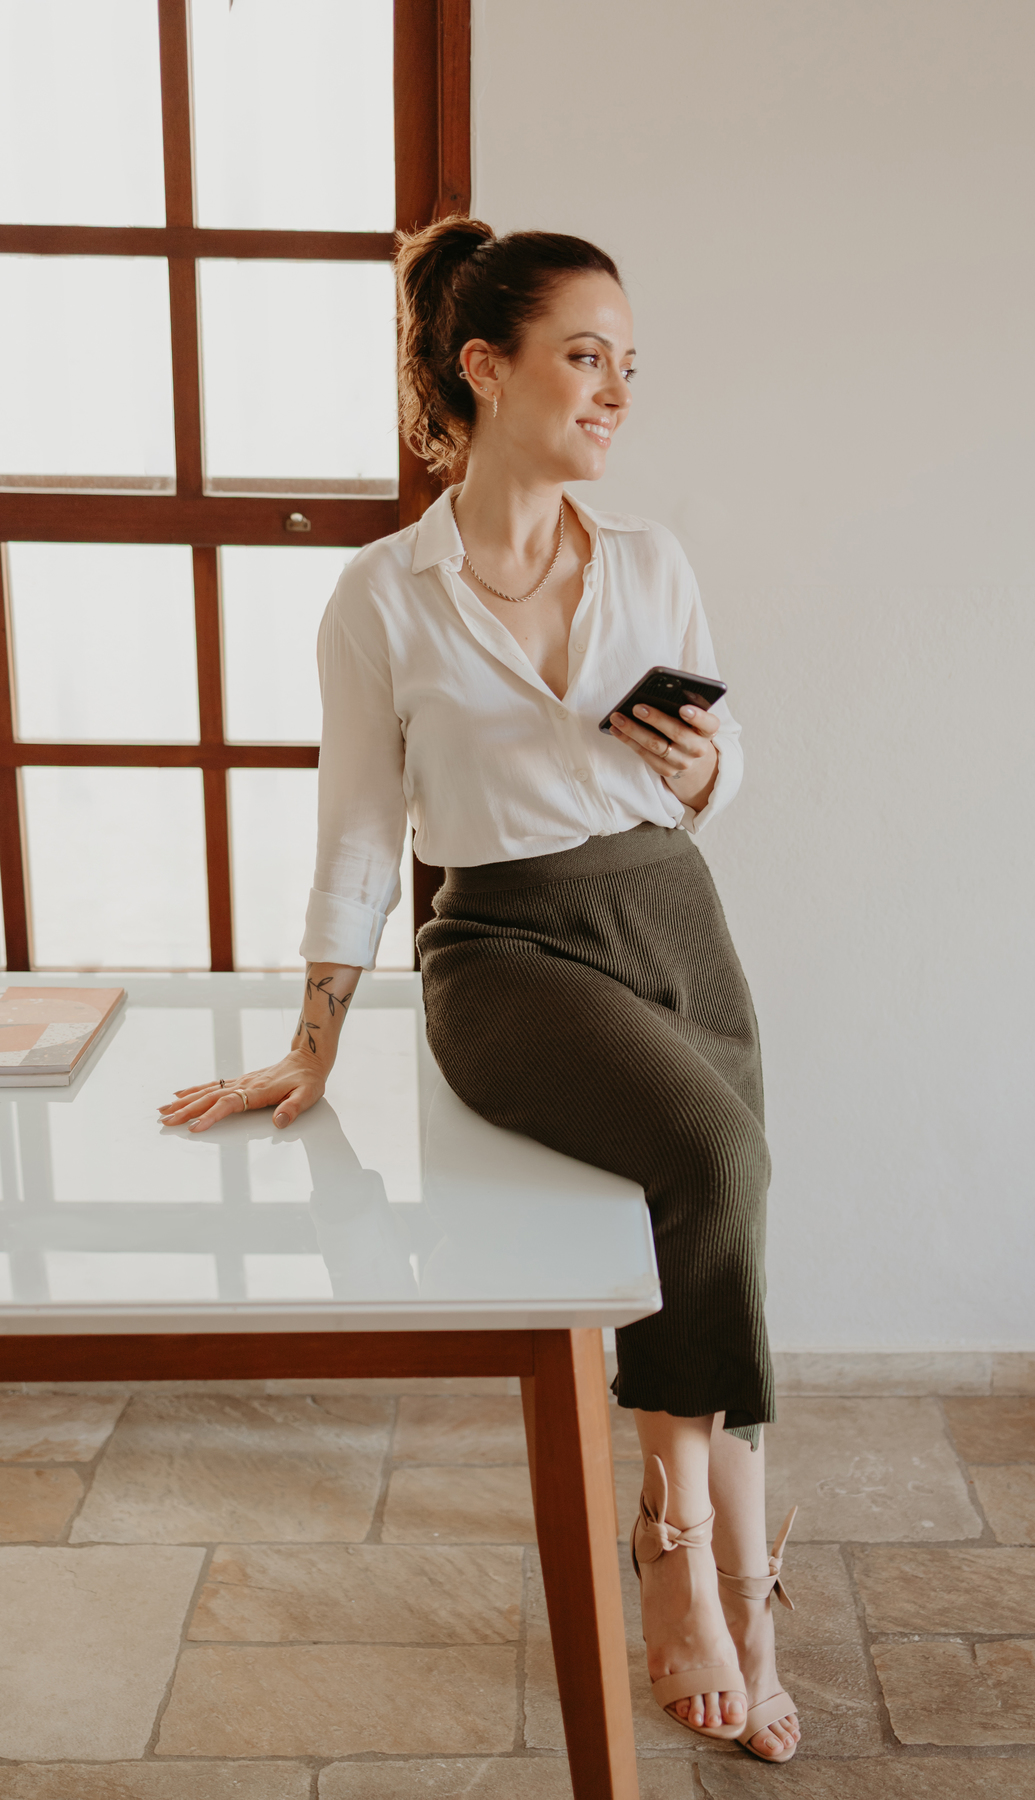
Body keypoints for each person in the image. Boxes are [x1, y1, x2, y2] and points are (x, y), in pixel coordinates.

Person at [159, 219, 800, 1763]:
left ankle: (744, 1584)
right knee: (717, 1161)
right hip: (503, 948)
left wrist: (702, 770)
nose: (616, 391)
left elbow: (718, 774)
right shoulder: (383, 596)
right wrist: (311, 1044)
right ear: (485, 368)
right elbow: (358, 835)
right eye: (585, 356)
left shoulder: (652, 565)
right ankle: (679, 1553)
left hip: (674, 926)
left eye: (629, 364)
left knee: (722, 1225)